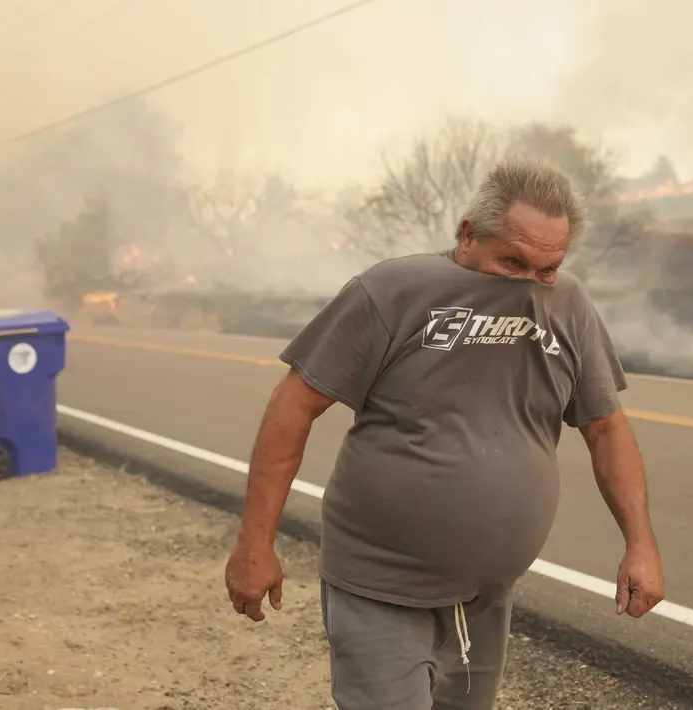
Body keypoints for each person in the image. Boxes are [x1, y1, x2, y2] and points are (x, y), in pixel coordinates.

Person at [224, 157, 665, 709]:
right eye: (513, 261)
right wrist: (254, 545)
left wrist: (640, 543)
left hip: (486, 597)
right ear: (466, 234)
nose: (531, 282)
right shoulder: (393, 291)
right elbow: (293, 405)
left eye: (548, 267)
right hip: (381, 588)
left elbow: (605, 428)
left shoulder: (568, 304)